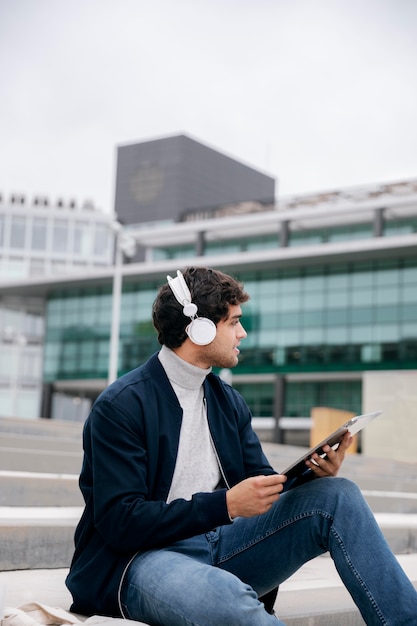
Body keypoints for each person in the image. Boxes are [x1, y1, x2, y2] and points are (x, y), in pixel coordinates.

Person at [66, 266, 417, 626]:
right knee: (223, 598)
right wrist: (226, 505)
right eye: (234, 322)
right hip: (138, 561)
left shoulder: (227, 402)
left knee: (337, 495)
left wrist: (311, 475)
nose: (242, 333)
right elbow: (120, 522)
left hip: (220, 543)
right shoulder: (122, 405)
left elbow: (261, 480)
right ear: (199, 329)